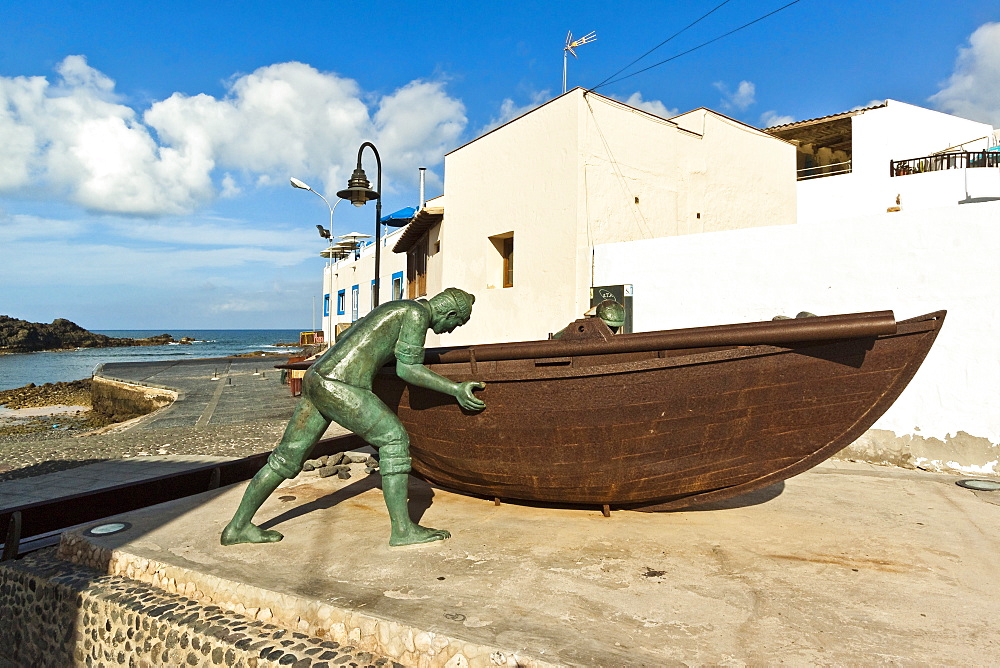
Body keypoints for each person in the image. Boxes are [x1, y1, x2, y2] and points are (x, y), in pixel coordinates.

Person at [221, 287, 485, 547]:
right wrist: (455, 388)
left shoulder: (396, 307)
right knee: (394, 440)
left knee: (285, 459)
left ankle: (237, 527)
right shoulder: (417, 314)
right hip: (341, 384)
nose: (450, 330)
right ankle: (403, 530)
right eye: (456, 324)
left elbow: (351, 334)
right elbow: (409, 369)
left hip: (316, 377)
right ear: (449, 313)